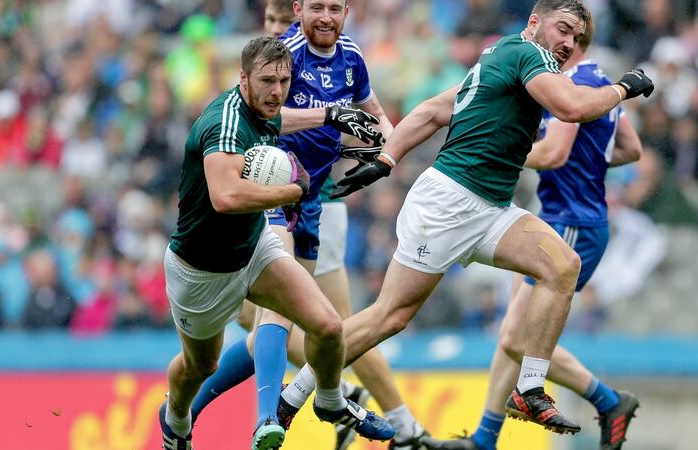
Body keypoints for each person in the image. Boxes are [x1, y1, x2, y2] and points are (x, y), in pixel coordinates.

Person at [284, 0, 654, 437]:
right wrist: (624, 87)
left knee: (561, 265)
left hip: (491, 208)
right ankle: (293, 396)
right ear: (534, 22)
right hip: (449, 205)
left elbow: (434, 110)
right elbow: (571, 108)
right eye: (563, 29)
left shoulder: (503, 57)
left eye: (576, 36)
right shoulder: (527, 54)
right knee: (389, 317)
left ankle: (529, 389)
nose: (569, 42)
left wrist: (386, 158)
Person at [189, 2, 429, 449]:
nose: (325, 17)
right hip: (270, 191)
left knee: (306, 324)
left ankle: (187, 410)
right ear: (299, 9)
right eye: (316, 6)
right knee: (284, 312)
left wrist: (383, 153)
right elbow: (260, 117)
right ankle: (272, 416)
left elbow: (376, 117)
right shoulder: (285, 56)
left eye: (334, 8)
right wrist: (330, 116)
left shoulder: (351, 56)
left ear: (347, 11)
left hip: (311, 199)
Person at [419, 15, 644, 450]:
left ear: (572, 41)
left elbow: (555, 153)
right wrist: (590, 158)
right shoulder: (597, 81)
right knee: (512, 336)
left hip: (572, 220)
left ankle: (610, 401)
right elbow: (629, 149)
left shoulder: (574, 83)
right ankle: (485, 438)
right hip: (567, 216)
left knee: (517, 338)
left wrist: (498, 151)